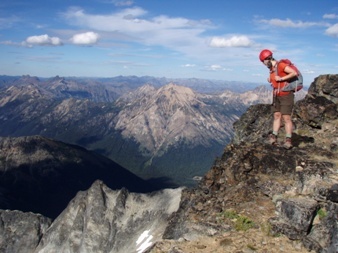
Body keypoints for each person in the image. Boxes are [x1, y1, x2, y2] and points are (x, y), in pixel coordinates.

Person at [259, 49, 298, 149]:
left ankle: (288, 140)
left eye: (263, 62)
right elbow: (274, 79)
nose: (264, 64)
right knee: (277, 115)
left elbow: (293, 73)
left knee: (286, 117)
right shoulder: (272, 69)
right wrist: (270, 79)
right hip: (276, 95)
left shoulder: (280, 65)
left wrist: (281, 79)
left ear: (267, 59)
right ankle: (274, 136)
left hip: (286, 95)